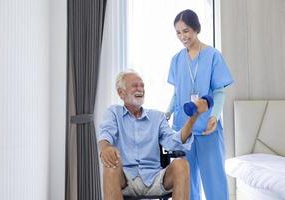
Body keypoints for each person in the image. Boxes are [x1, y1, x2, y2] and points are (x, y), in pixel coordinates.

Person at [98, 70, 209, 200]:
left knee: (181, 164)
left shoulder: (158, 117)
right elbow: (105, 135)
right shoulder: (113, 113)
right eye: (135, 86)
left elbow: (174, 142)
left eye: (142, 85)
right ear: (121, 93)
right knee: (111, 165)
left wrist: (193, 118)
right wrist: (105, 148)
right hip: (126, 179)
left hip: (155, 178)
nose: (140, 89)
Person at [166, 9, 234, 200]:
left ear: (196, 28)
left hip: (207, 128)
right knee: (186, 182)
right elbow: (177, 93)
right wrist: (167, 112)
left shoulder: (213, 56)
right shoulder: (176, 60)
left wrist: (214, 116)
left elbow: (220, 91)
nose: (182, 36)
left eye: (186, 30)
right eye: (178, 32)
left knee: (215, 180)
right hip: (183, 129)